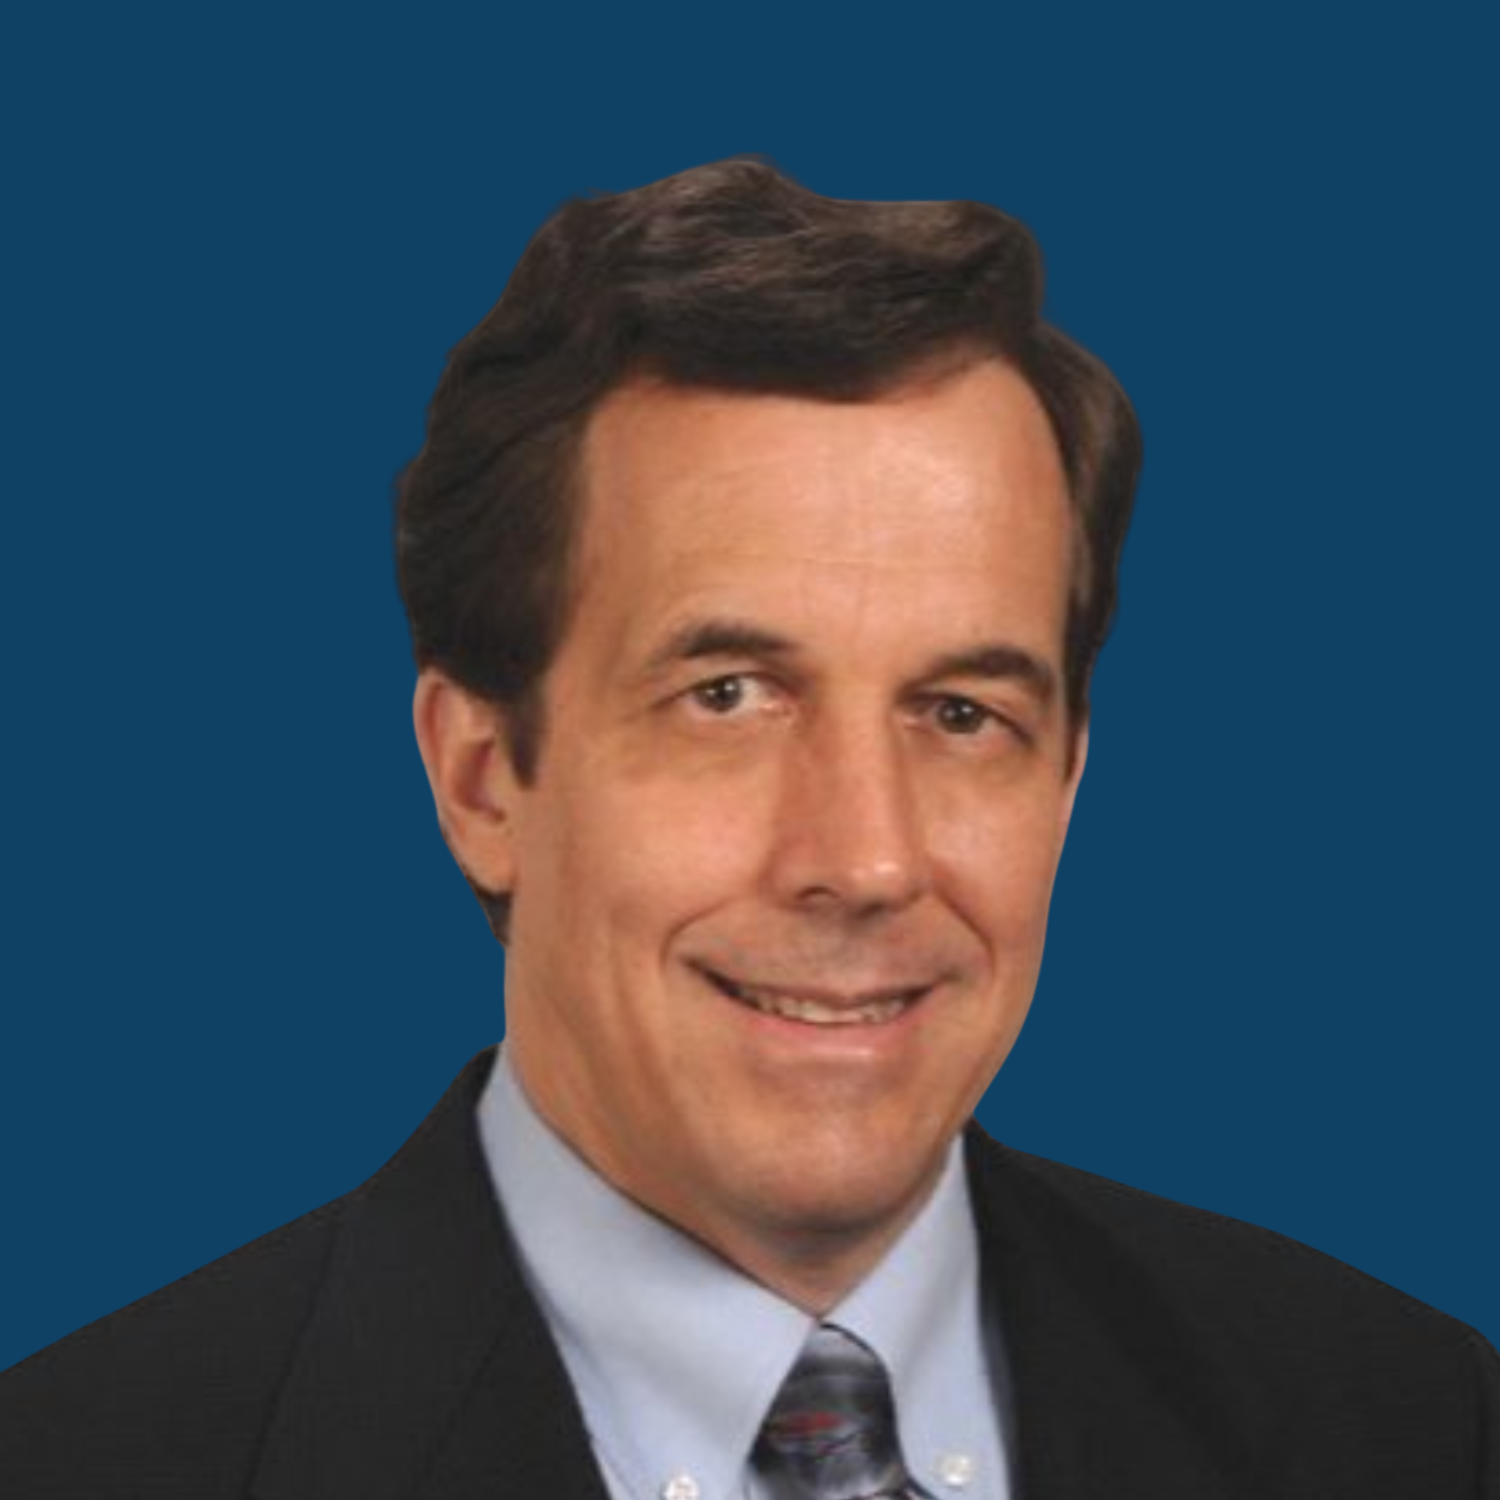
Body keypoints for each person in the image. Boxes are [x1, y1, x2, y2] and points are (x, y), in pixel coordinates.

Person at [2, 159, 1494, 1498]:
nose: (866, 858)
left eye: (963, 713)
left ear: (1071, 781)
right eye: (729, 696)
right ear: (481, 781)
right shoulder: (86, 1459)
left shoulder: (1420, 1429)